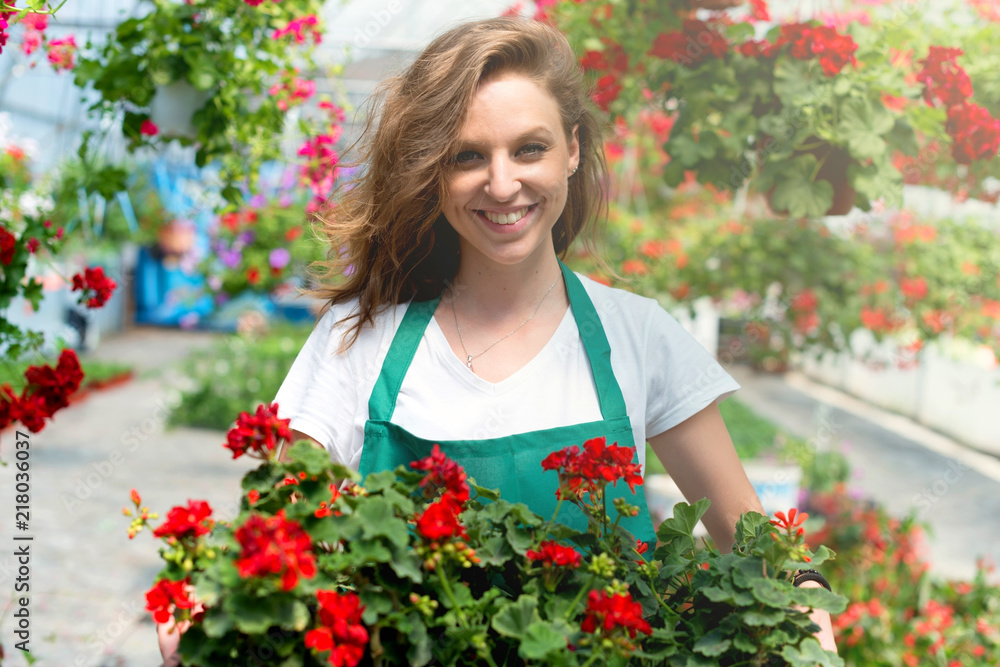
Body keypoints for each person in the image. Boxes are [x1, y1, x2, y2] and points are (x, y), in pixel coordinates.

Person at [159, 15, 836, 663]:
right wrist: (208, 599)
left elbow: (755, 543)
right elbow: (269, 534)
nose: (503, 182)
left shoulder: (639, 336)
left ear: (572, 148)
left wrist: (806, 606)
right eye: (468, 156)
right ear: (434, 171)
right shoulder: (360, 337)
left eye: (530, 148)